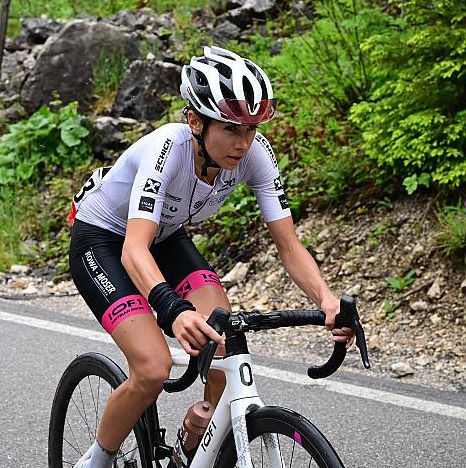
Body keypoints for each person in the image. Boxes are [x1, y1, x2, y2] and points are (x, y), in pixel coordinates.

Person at [67, 46, 354, 467]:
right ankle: (97, 460)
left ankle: (197, 435)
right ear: (196, 121)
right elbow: (133, 249)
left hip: (164, 237)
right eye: (231, 129)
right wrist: (172, 308)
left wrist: (326, 301)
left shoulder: (255, 154)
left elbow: (289, 246)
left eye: (251, 129)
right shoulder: (167, 149)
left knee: (223, 329)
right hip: (105, 240)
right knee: (152, 367)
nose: (243, 143)